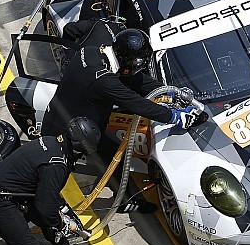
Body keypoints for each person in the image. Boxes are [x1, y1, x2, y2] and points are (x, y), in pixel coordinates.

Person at [39, 29, 198, 212]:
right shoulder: (104, 81)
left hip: (83, 125)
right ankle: (48, 215)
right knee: (55, 177)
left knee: (114, 155)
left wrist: (167, 90)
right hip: (65, 132)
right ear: (126, 59)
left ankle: (123, 200)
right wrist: (175, 116)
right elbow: (137, 104)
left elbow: (134, 79)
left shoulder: (92, 51)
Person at [0, 117, 100, 245]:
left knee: (53, 214)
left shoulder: (51, 141)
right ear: (80, 148)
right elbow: (45, 208)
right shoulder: (57, 165)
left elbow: (48, 196)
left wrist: (63, 214)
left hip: (11, 192)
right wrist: (62, 223)